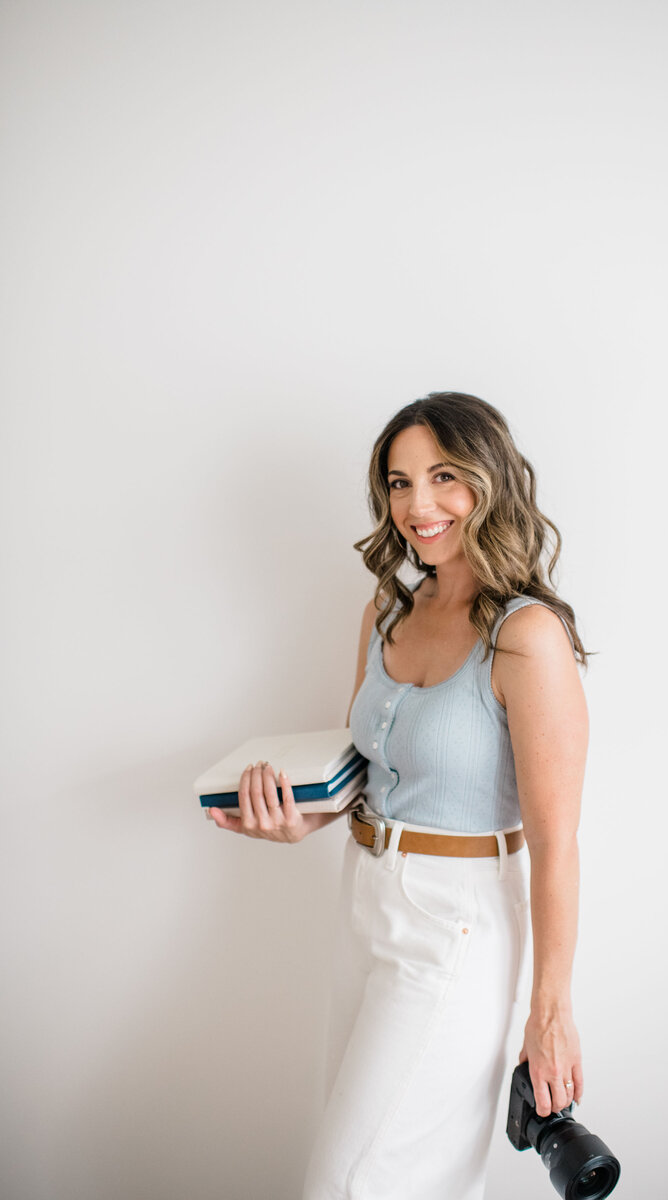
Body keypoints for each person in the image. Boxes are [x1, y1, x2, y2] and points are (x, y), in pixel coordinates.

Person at [208, 392, 591, 1200]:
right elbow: (367, 774)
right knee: (409, 1181)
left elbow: (558, 844)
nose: (419, 505)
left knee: (351, 1185)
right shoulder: (389, 609)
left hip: (456, 927)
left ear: (489, 482)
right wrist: (297, 819)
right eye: (398, 482)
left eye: (444, 476)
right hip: (365, 903)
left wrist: (550, 1013)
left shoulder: (526, 635)